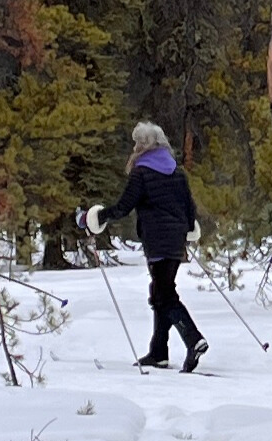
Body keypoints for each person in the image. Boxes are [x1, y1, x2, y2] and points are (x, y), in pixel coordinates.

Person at [84, 121, 205, 372]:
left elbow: (124, 206)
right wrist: (188, 227)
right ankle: (158, 352)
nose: (135, 148)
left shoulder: (141, 172)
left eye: (137, 143)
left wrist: (98, 218)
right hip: (177, 238)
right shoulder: (176, 172)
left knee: (164, 295)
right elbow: (189, 206)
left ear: (143, 145)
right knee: (161, 291)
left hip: (157, 239)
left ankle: (194, 340)